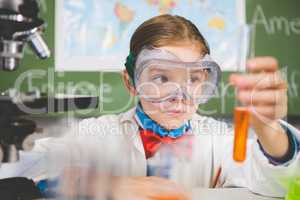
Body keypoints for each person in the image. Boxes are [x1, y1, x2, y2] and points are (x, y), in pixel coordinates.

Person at [0, 14, 299, 199]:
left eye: (195, 78)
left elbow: (278, 183)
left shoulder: (220, 139)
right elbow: (19, 169)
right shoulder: (95, 134)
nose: (179, 94)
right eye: (161, 77)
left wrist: (271, 130)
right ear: (131, 82)